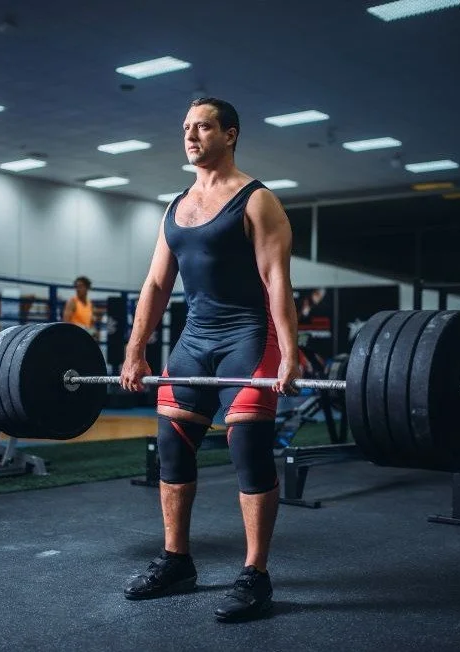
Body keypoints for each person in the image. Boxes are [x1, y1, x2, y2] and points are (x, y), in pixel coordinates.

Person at [120, 97, 300, 622]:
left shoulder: (257, 200)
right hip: (194, 342)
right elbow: (156, 282)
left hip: (249, 338)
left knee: (248, 449)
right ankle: (177, 561)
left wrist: (289, 354)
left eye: (203, 127)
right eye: (186, 128)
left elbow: (277, 281)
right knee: (171, 451)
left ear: (231, 134)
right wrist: (135, 350)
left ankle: (255, 575)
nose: (191, 136)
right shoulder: (175, 207)